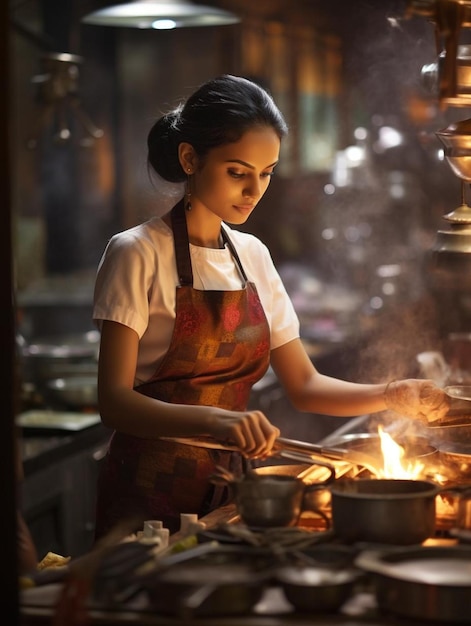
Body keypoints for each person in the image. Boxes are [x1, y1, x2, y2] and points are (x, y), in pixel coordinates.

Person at [92, 74, 450, 538]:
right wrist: (219, 420)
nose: (254, 190)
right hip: (146, 496)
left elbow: (305, 385)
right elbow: (114, 403)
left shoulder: (252, 254)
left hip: (234, 490)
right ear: (189, 158)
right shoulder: (135, 252)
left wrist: (392, 394)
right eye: (237, 172)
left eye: (266, 173)